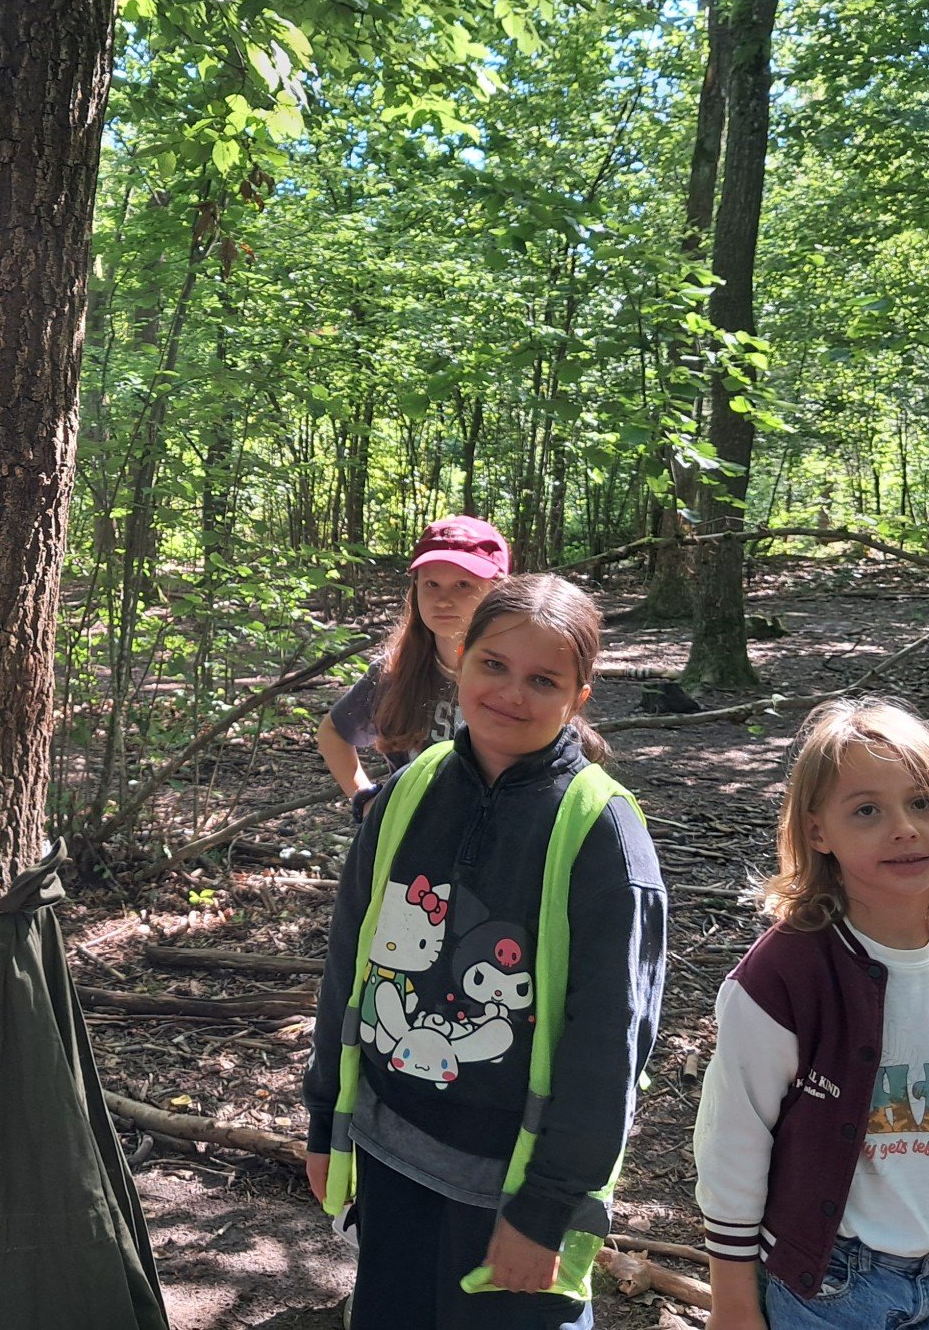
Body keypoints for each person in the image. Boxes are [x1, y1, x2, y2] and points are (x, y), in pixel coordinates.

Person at [305, 574, 667, 1330]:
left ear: (578, 697)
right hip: (388, 1150)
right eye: (493, 665)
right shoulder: (410, 790)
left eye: (544, 680)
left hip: (511, 1186)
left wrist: (546, 1209)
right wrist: (324, 1121)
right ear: (461, 659)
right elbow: (350, 962)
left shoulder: (600, 831)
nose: (511, 693)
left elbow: (612, 1040)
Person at [694, 698, 929, 1330]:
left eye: (923, 803)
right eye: (867, 810)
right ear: (817, 832)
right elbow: (733, 1139)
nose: (904, 828)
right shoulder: (788, 971)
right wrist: (732, 1302)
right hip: (826, 1284)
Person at [317, 516, 510, 824]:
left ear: (496, 590)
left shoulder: (520, 675)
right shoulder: (394, 673)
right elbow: (333, 733)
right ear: (416, 588)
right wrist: (367, 802)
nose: (443, 600)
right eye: (432, 584)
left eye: (463, 585)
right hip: (410, 841)